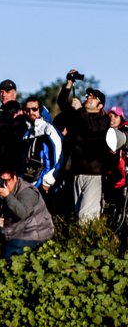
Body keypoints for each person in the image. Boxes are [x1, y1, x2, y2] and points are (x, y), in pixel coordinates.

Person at [56, 70, 111, 221]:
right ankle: (84, 235)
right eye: (88, 96)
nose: (88, 98)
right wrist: (69, 84)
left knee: (86, 215)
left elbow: (91, 127)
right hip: (75, 171)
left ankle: (92, 235)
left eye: (93, 97)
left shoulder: (103, 120)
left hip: (93, 173)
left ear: (100, 105)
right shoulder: (78, 116)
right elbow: (62, 102)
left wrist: (80, 109)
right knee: (77, 214)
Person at [0, 165, 54, 259]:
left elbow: (23, 213)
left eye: (7, 181)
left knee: (9, 256)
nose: (4, 184)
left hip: (34, 233)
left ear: (15, 178)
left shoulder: (28, 192)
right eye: (1, 180)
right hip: (14, 231)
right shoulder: (2, 190)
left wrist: (8, 196)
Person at [21, 96, 63, 192]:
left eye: (34, 109)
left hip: (45, 185)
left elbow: (59, 156)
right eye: (27, 110)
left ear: (40, 110)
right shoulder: (26, 134)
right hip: (28, 183)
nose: (31, 112)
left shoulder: (49, 129)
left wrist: (48, 180)